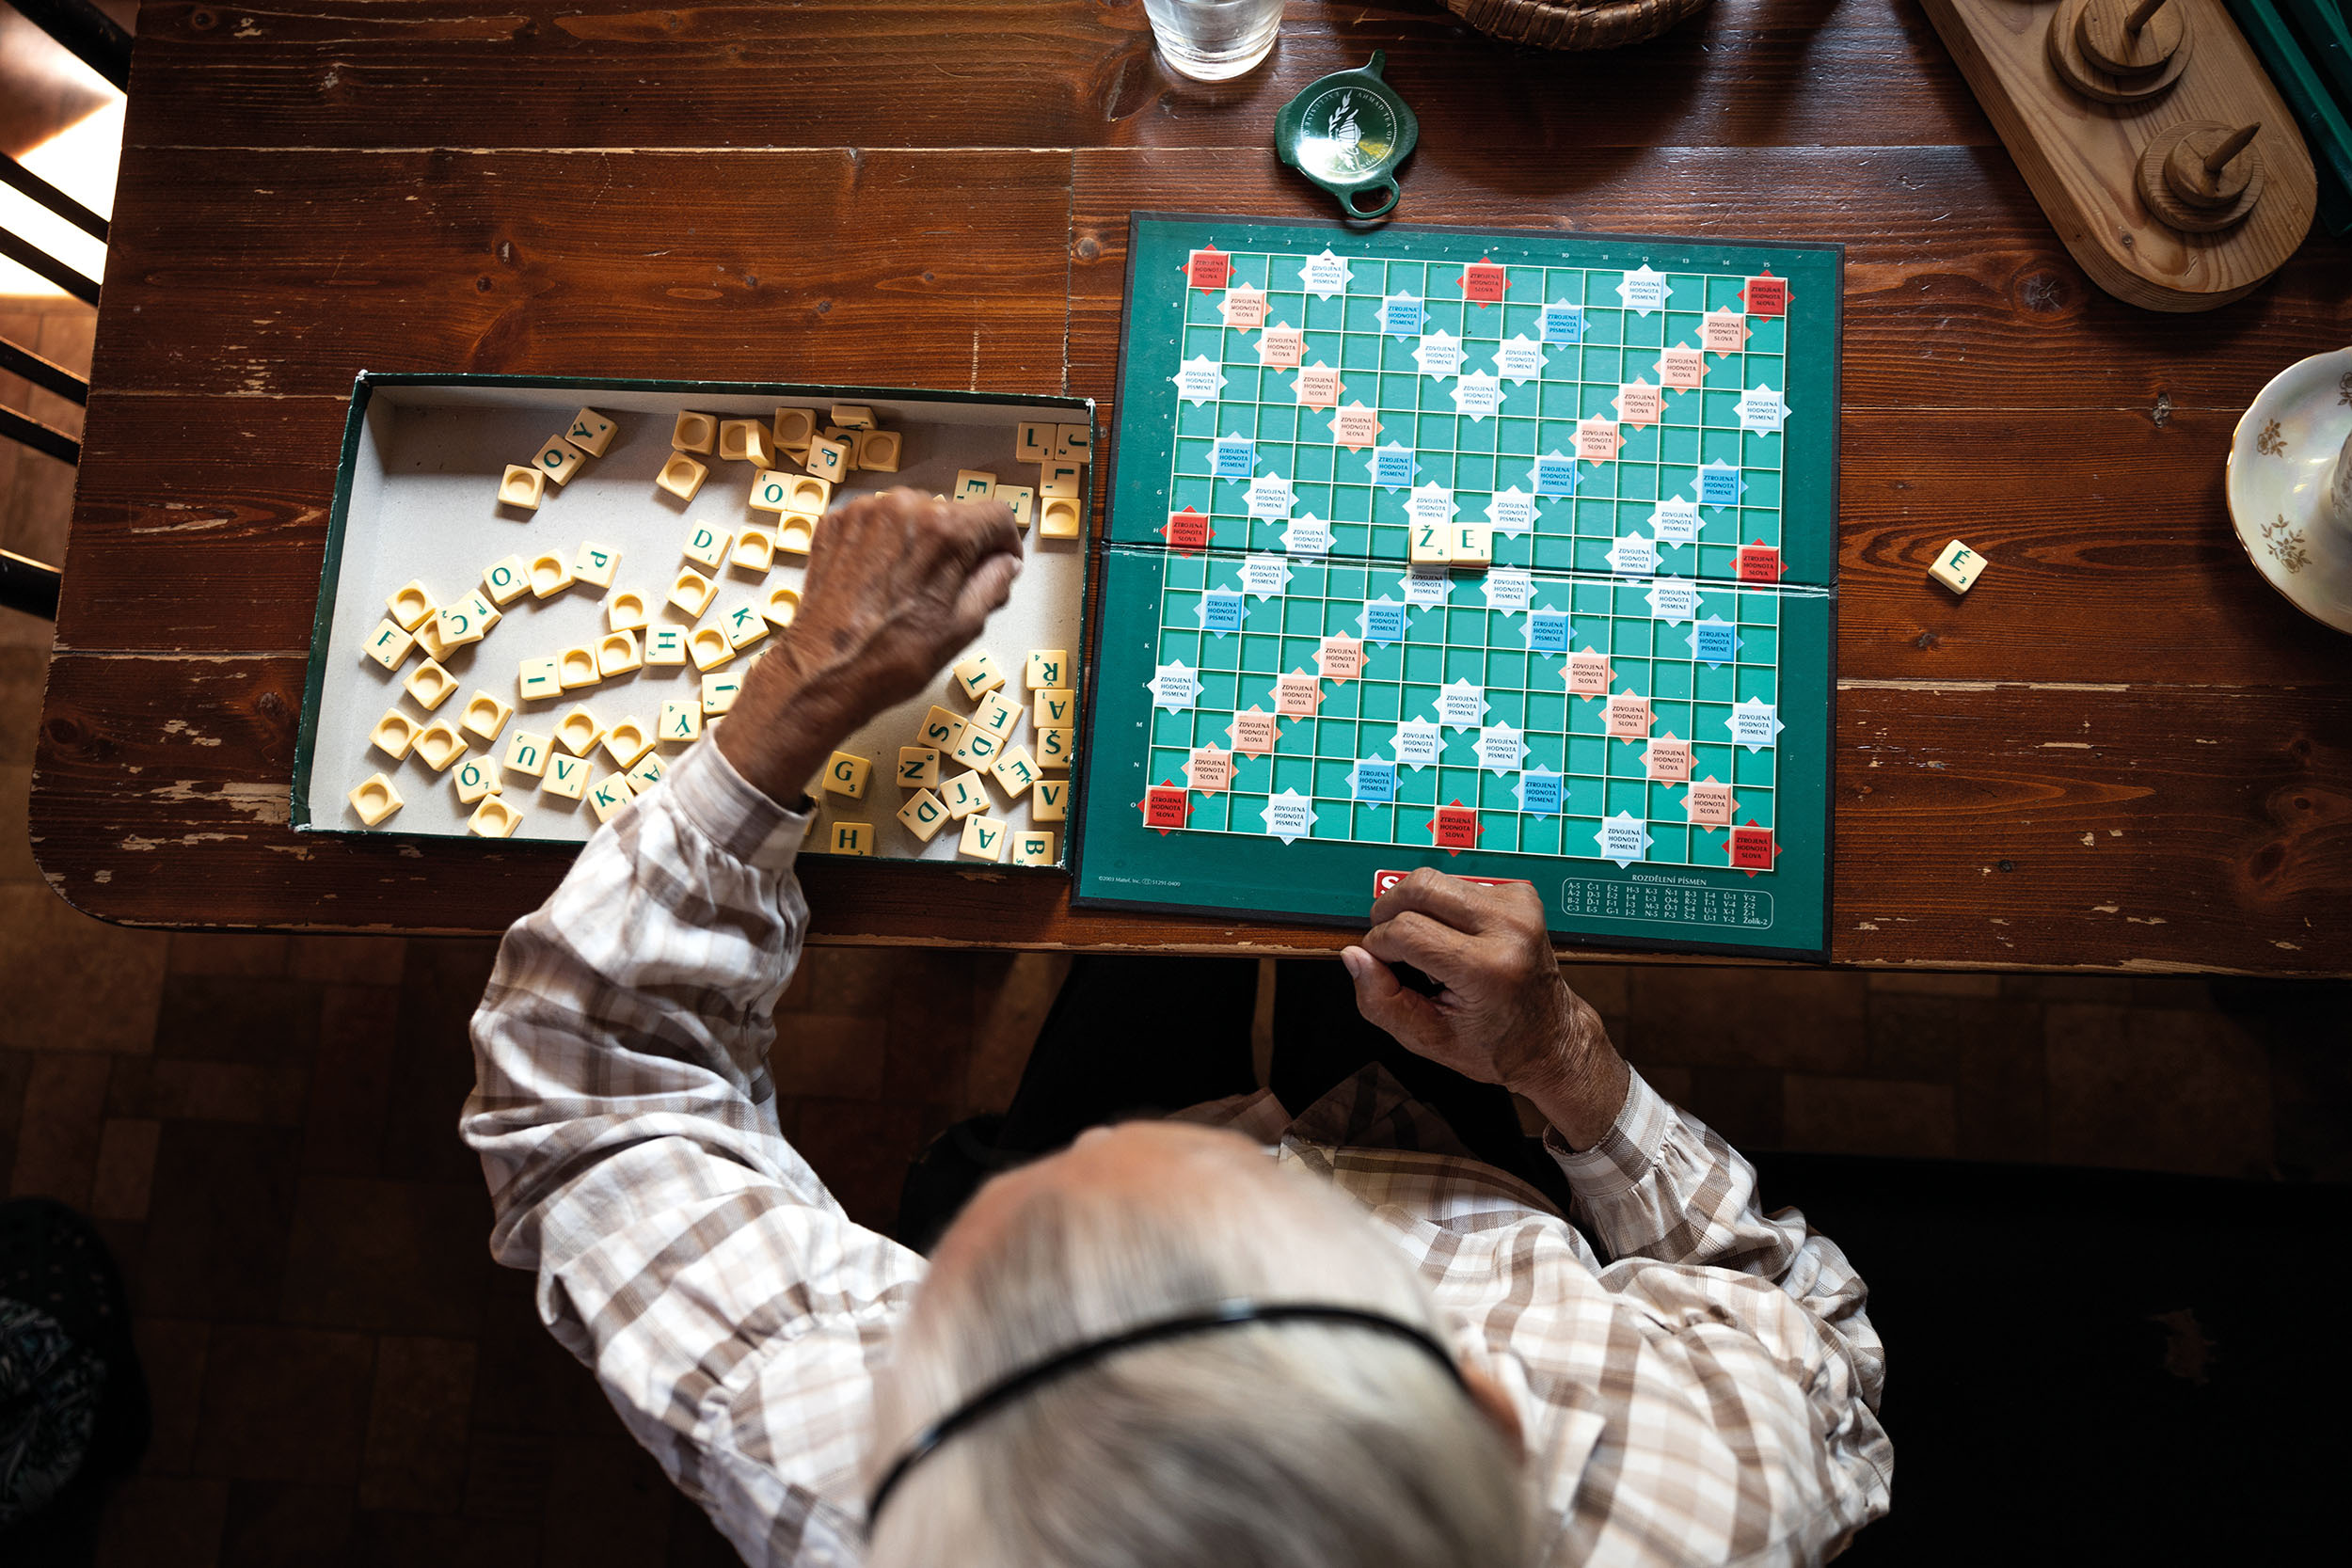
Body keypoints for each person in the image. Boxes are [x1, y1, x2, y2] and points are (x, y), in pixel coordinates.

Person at [462, 490, 1891, 1567]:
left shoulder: (897, 1487)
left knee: (1134, 949)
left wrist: (799, 695)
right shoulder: (1719, 1493)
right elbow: (1800, 1312)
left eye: (1138, 1307)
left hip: (1097, 1180)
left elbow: (594, 1113)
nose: (1251, 1168)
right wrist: (1560, 1064)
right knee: (1294, 902)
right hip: (1471, 1153)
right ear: (1495, 1413)